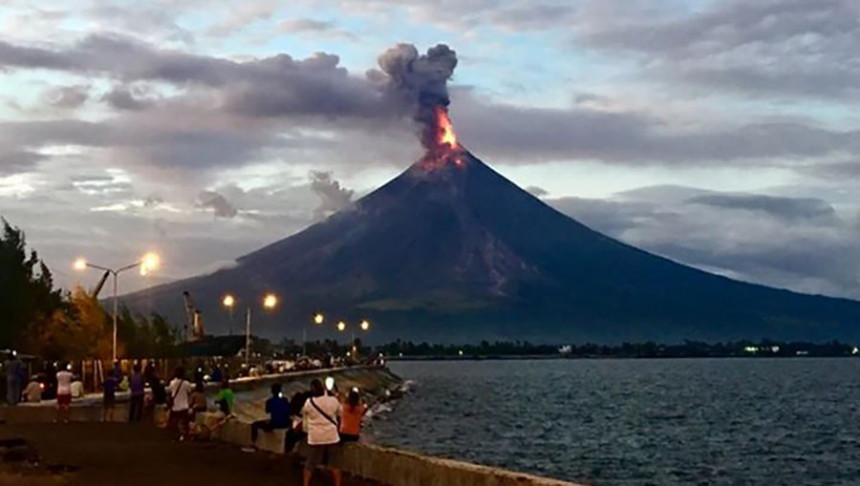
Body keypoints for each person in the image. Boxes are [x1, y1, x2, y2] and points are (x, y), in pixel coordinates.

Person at [302, 379, 343, 486]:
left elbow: (305, 413)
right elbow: (340, 413)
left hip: (315, 437)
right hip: (331, 436)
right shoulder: (333, 400)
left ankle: (306, 484)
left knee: (310, 463)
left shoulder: (309, 402)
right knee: (335, 464)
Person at [167, 367, 193, 441]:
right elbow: (189, 392)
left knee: (175, 423)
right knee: (184, 423)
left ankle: (176, 436)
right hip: (184, 406)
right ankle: (184, 436)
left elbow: (170, 392)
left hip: (175, 406)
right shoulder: (186, 383)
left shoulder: (172, 383)